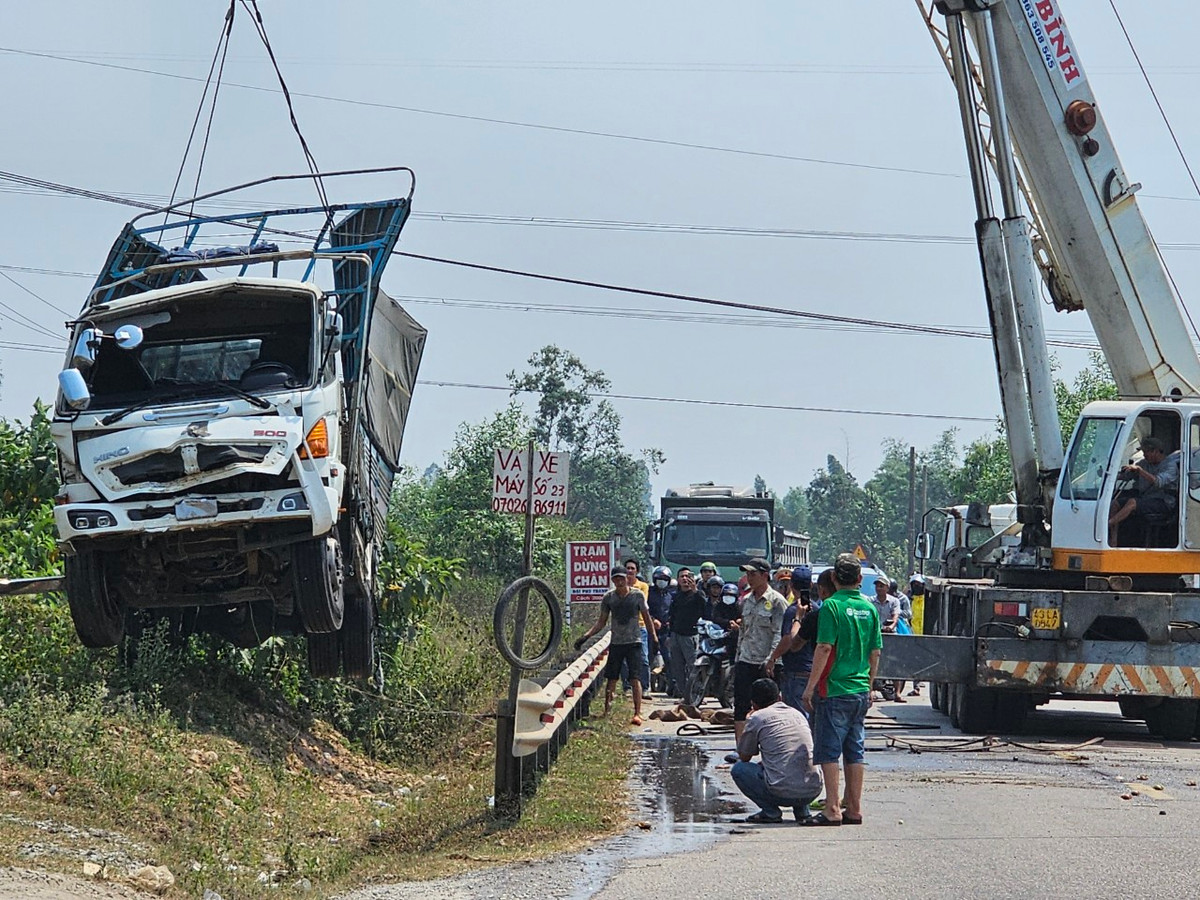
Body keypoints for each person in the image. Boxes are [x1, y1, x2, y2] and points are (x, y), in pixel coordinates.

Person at [801, 553, 881, 826]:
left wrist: (810, 688)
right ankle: (854, 808)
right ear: (859, 579)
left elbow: (824, 647)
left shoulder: (831, 607)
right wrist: (869, 686)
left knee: (829, 751)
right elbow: (875, 652)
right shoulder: (869, 608)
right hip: (859, 690)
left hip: (834, 689)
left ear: (834, 578)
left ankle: (833, 808)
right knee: (855, 751)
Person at [574, 566, 658, 725]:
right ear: (612, 580)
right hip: (616, 642)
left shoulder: (637, 595)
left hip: (634, 642)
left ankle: (637, 713)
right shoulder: (609, 598)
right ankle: (607, 711)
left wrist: (654, 638)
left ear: (627, 578)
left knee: (635, 678)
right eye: (616, 579)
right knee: (611, 678)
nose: (619, 581)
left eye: (621, 578)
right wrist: (585, 637)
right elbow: (601, 622)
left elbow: (646, 618)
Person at [731, 678, 823, 824]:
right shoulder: (797, 713)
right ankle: (802, 811)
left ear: (753, 704)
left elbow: (744, 756)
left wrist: (749, 722)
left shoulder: (757, 717)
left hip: (782, 792)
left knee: (739, 769)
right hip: (812, 790)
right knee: (797, 763)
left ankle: (770, 812)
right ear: (779, 697)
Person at [732, 558, 787, 744]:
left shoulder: (777, 601)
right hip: (746, 659)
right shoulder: (746, 600)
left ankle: (771, 746)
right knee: (740, 706)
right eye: (747, 574)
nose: (749, 578)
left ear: (765, 576)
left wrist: (772, 659)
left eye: (753, 574)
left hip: (767, 663)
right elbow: (744, 631)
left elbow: (779, 633)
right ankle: (741, 749)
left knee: (769, 708)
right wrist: (738, 657)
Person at [766, 567, 831, 716]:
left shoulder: (794, 611)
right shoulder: (817, 609)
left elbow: (788, 639)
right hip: (813, 670)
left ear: (791, 585)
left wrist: (772, 658)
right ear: (811, 585)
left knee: (797, 717)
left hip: (796, 671)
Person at [1109, 436, 1180, 546]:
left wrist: (1140, 471)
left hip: (1163, 501)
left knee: (1133, 502)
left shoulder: (1170, 466)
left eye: (1146, 452)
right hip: (1145, 497)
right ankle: (1113, 540)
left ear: (1155, 451)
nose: (1144, 455)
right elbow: (1128, 476)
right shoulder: (1143, 463)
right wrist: (1116, 474)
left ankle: (1108, 523)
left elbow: (1158, 482)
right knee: (1115, 503)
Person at [666, 567, 706, 705]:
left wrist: (696, 591)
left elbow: (705, 608)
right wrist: (669, 635)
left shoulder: (698, 595)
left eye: (688, 576)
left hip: (690, 636)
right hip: (676, 635)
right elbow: (672, 617)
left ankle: (697, 695)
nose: (685, 579)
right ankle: (685, 695)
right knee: (677, 667)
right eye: (682, 576)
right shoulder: (676, 596)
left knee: (693, 667)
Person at [622, 559, 652, 691]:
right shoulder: (620, 586)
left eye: (632, 568)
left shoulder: (643, 586)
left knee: (643, 658)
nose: (630, 571)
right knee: (624, 659)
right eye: (627, 568)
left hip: (640, 626)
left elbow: (640, 603)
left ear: (637, 571)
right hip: (623, 627)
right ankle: (627, 687)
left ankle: (645, 687)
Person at [872, 576, 903, 702]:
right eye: (877, 586)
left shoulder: (894, 601)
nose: (878, 588)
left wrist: (891, 627)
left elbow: (895, 617)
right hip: (875, 635)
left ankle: (898, 693)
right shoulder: (870, 601)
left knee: (894, 664)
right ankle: (871, 690)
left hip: (891, 635)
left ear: (887, 588)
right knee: (872, 662)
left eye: (881, 586)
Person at [647, 566, 675, 693]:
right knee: (647, 659)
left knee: (669, 660)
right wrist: (652, 620)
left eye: (665, 579)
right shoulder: (649, 593)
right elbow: (644, 610)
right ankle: (644, 686)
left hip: (665, 632)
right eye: (660, 578)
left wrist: (670, 621)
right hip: (650, 631)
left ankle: (672, 686)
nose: (662, 581)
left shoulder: (670, 595)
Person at [907, 574, 927, 697]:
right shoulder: (909, 600)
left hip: (925, 635)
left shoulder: (928, 599)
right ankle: (916, 686)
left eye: (919, 584)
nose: (916, 586)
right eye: (914, 584)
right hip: (912, 635)